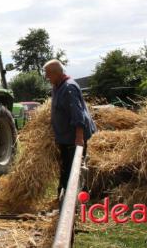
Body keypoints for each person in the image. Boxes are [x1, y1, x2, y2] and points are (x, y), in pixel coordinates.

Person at [43, 60, 96, 198]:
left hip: (73, 138)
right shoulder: (57, 86)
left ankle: (80, 197)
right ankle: (65, 195)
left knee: (75, 169)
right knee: (66, 167)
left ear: (57, 73)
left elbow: (78, 114)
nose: (47, 77)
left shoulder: (69, 88)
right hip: (65, 136)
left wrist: (79, 138)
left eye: (48, 74)